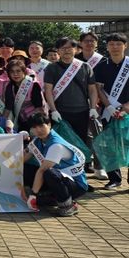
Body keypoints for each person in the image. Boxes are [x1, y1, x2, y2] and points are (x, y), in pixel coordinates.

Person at [44, 37, 99, 168]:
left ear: (76, 49)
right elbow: (48, 90)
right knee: (62, 143)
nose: (66, 51)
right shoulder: (52, 68)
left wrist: (93, 108)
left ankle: (81, 170)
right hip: (61, 113)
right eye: (63, 48)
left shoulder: (85, 67)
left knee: (81, 141)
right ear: (58, 51)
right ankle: (64, 170)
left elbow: (92, 89)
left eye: (70, 48)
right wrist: (53, 110)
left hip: (82, 112)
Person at [23, 113, 87, 217]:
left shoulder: (56, 145)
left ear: (49, 125)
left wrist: (33, 195)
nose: (38, 130)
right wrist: (18, 139)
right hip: (59, 179)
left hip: (76, 185)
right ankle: (48, 196)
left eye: (41, 126)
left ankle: (68, 205)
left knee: (48, 172)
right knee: (25, 169)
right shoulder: (37, 141)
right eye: (34, 127)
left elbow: (42, 170)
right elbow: (21, 160)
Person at [93, 32, 129, 189]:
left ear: (125, 46)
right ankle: (115, 178)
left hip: (128, 110)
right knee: (108, 145)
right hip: (109, 111)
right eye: (111, 44)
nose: (115, 47)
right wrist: (109, 106)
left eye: (118, 44)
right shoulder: (101, 66)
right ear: (107, 47)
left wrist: (126, 106)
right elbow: (99, 89)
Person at [3, 60, 45, 133]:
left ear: (24, 72)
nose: (15, 74)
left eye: (18, 71)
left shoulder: (33, 85)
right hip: (20, 121)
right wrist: (2, 122)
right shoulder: (9, 86)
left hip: (35, 121)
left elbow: (39, 108)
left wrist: (36, 126)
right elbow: (8, 107)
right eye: (12, 72)